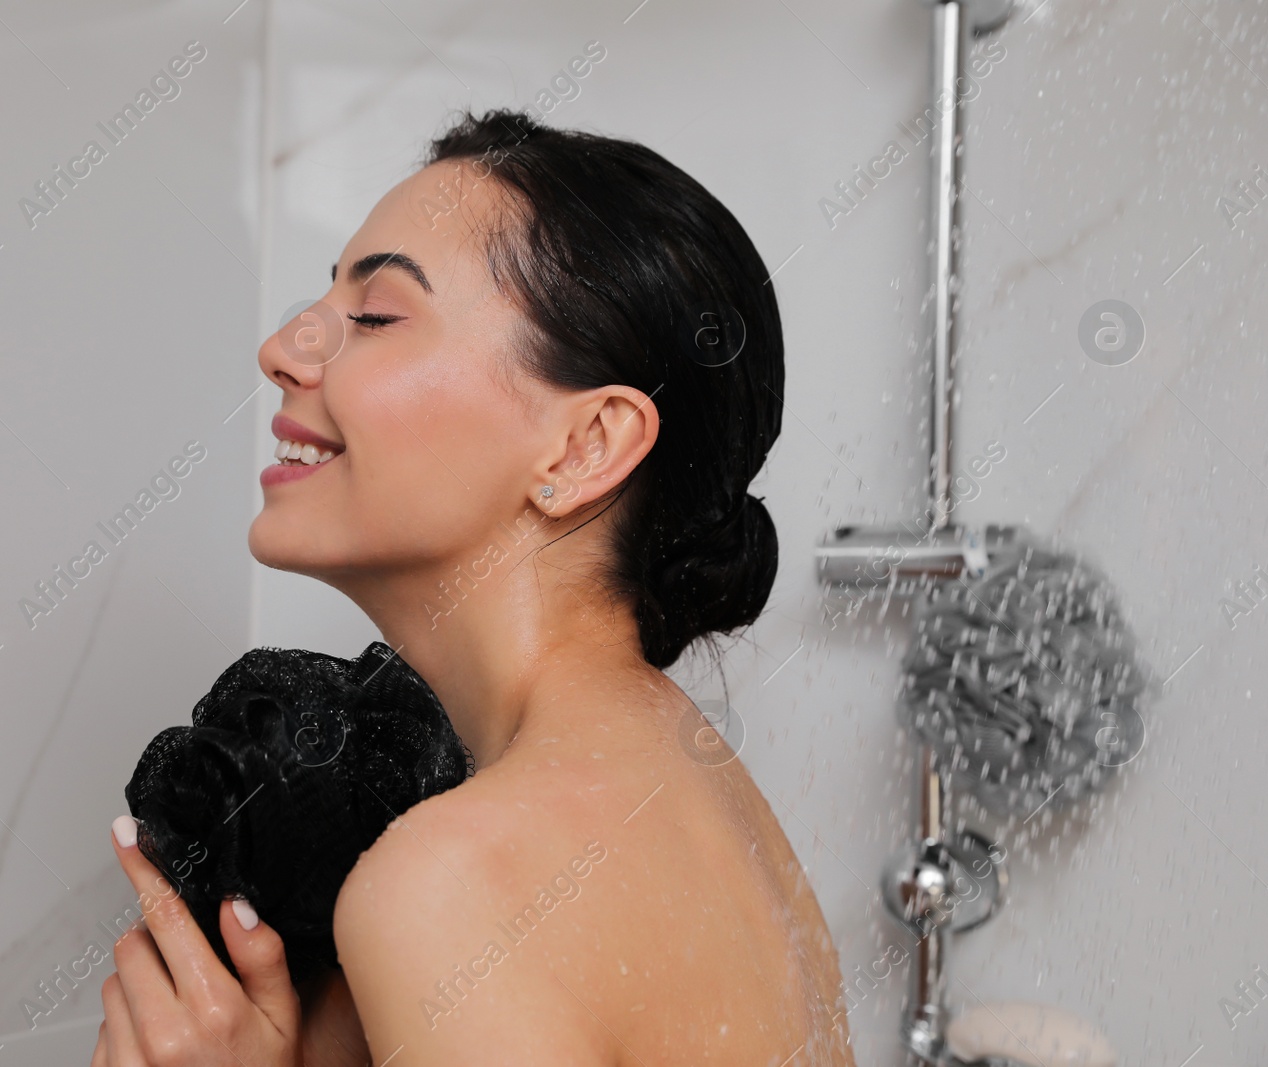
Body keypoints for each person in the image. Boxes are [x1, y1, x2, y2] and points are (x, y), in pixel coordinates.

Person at [91, 108, 855, 1067]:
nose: (285, 347)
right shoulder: (704, 794)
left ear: (586, 446)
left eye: (374, 315)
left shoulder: (456, 881)